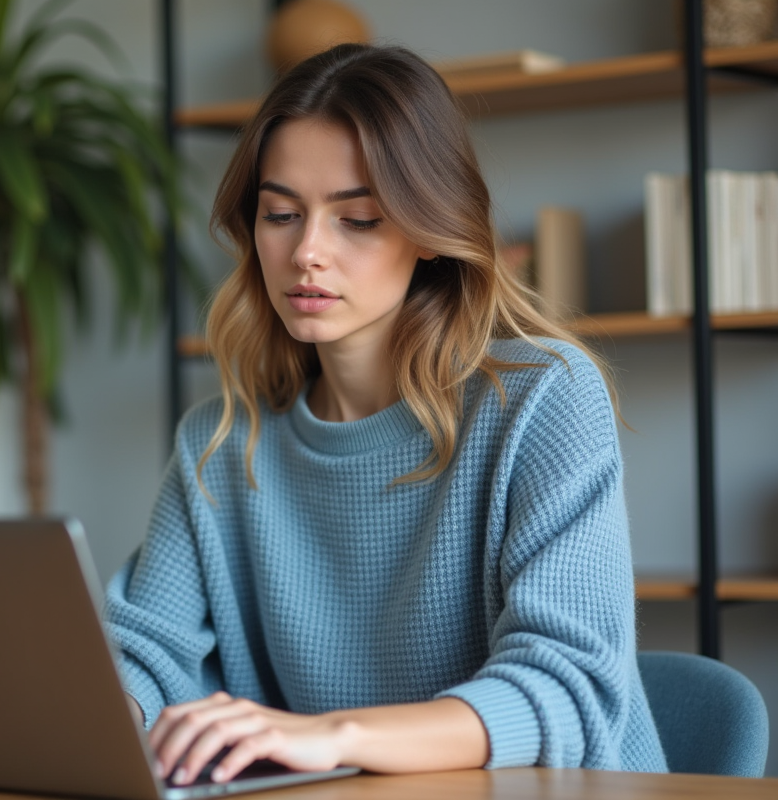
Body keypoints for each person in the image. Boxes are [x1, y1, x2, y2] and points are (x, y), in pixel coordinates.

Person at [101, 42, 668, 784]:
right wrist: (98, 720)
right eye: (280, 214)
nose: (307, 252)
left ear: (429, 230)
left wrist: (333, 735)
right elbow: (145, 654)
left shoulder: (544, 399)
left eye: (359, 219)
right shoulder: (220, 441)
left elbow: (565, 689)